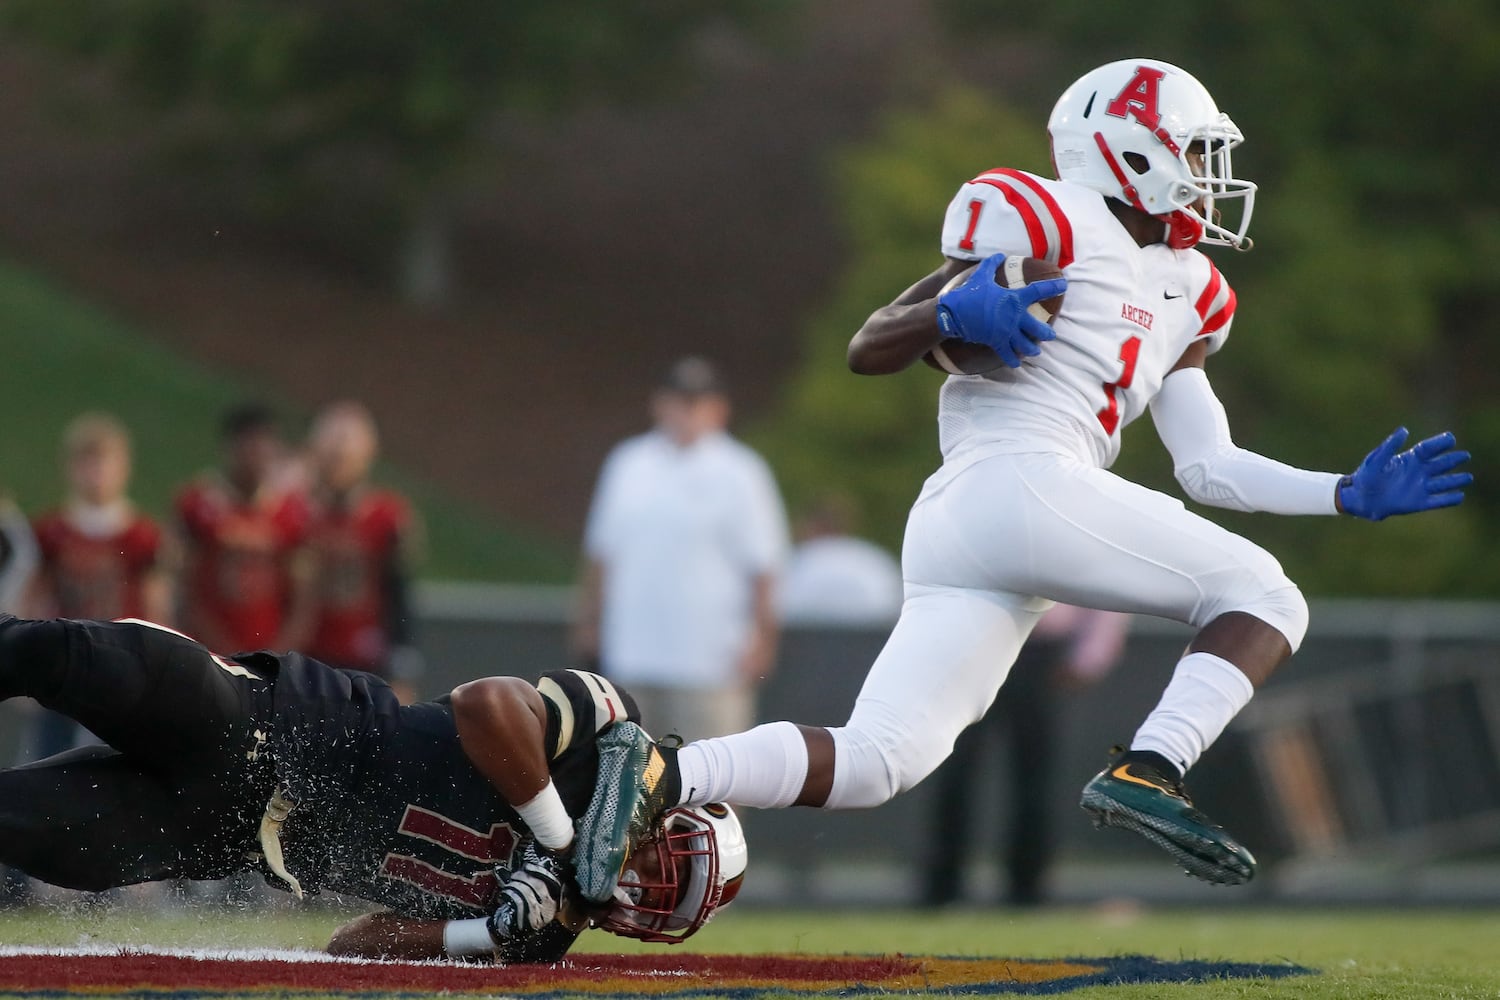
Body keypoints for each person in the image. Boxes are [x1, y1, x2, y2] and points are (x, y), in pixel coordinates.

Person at [578, 58, 1471, 890]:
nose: (1206, 170)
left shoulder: (1194, 286)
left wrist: (1339, 493)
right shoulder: (1043, 215)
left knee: (879, 760)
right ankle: (1147, 769)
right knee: (1269, 600)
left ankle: (662, 771)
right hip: (1014, 478)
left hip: (986, 518)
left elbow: (1210, 466)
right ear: (1129, 149)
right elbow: (868, 348)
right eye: (1193, 150)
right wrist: (949, 311)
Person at [0, 613, 746, 961]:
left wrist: (485, 933)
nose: (643, 887)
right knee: (61, 655)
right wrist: (558, 839)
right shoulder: (602, 743)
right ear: (660, 809)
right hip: (266, 724)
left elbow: (355, 942)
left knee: (19, 823)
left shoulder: (543, 935)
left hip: (215, 834)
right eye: (660, 867)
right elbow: (486, 704)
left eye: (661, 901)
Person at [574, 357, 789, 742]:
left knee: (711, 783)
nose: (686, 411)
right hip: (632, 653)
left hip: (710, 661)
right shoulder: (629, 462)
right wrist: (590, 620)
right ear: (659, 403)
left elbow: (764, 566)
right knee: (625, 779)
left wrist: (763, 639)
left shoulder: (741, 471)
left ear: (719, 408)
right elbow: (603, 552)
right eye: (679, 399)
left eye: (697, 401)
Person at [922, 605, 1130, 907]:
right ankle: (942, 886)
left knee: (1034, 778)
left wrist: (1089, 657)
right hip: (974, 646)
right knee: (954, 770)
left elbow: (1104, 596)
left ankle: (1027, 887)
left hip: (1039, 652)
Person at [24, 413, 170, 759]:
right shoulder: (53, 530)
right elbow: (34, 595)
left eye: (105, 463)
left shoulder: (140, 535)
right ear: (71, 468)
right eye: (88, 464)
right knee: (46, 757)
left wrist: (158, 662)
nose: (97, 475)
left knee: (115, 759)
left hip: (120, 661)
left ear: (124, 468)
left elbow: (155, 604)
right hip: (65, 657)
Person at [296, 401, 424, 703]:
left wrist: (402, 663)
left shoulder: (387, 517)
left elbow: (399, 591)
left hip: (365, 657)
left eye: (346, 457)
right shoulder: (295, 513)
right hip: (304, 653)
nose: (339, 464)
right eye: (332, 456)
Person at [176, 403, 312, 654]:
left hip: (269, 654)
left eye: (264, 448)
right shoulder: (198, 505)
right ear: (231, 448)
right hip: (208, 651)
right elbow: (183, 587)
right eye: (250, 448)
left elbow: (302, 596)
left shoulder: (291, 512)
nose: (257, 458)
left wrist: (279, 652)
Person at [779, 495, 903, 625]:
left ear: (812, 526)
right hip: (874, 637)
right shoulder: (874, 560)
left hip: (805, 637)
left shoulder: (800, 560)